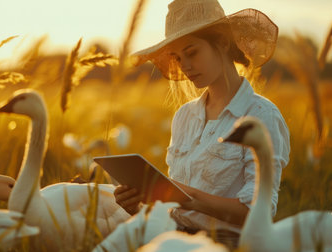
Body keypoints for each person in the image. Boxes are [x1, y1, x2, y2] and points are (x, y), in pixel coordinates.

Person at [114, 0, 290, 248]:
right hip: (173, 238)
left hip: (228, 245)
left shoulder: (260, 116)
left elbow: (256, 211)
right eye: (177, 57)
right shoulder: (184, 116)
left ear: (222, 42)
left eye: (192, 52)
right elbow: (174, 211)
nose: (184, 66)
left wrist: (187, 197)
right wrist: (139, 204)